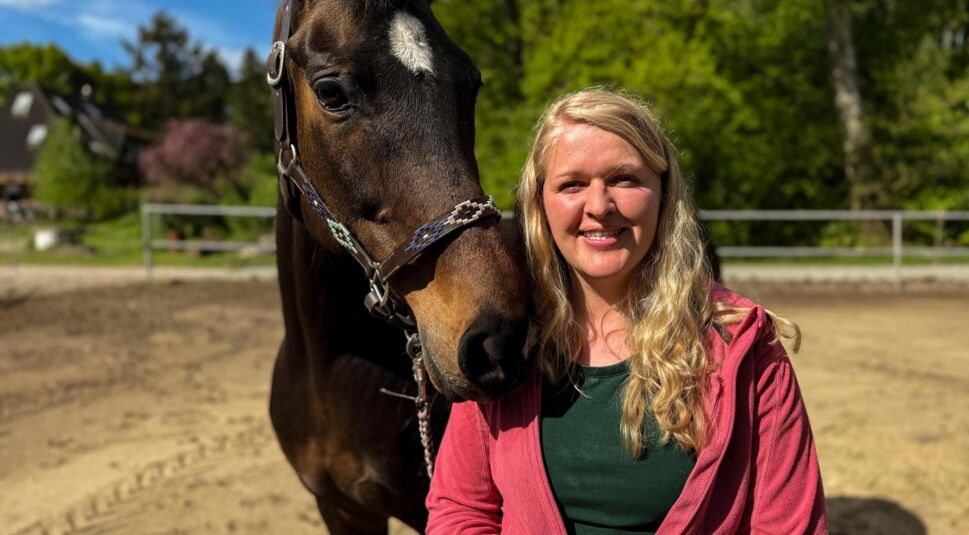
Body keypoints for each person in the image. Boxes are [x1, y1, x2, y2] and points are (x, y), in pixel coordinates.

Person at [425, 88, 827, 534]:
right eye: (572, 185)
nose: (599, 206)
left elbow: (789, 526)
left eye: (624, 179)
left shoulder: (742, 346)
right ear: (540, 203)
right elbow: (462, 510)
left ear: (663, 191)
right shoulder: (506, 340)